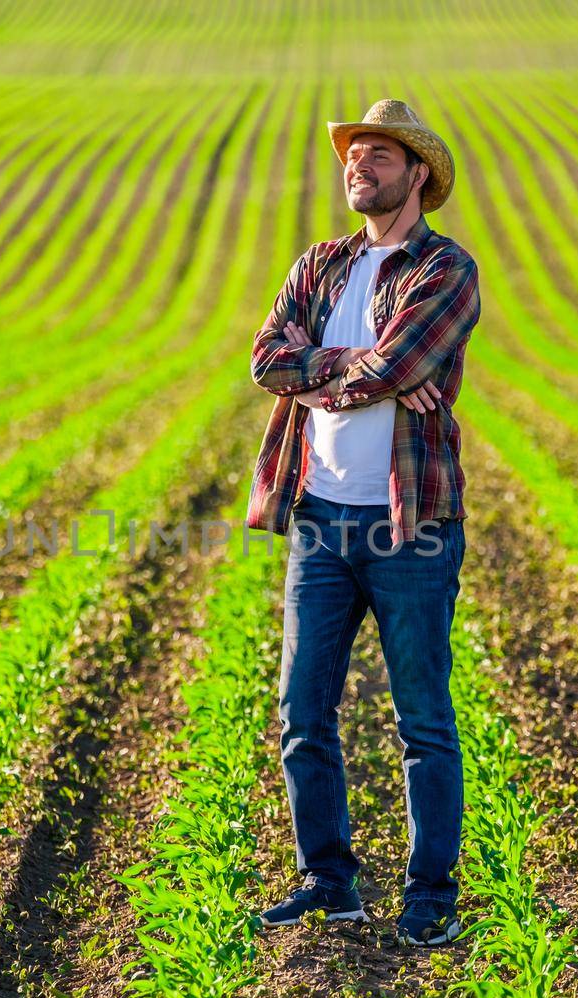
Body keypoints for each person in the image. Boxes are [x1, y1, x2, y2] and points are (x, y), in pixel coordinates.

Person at [246, 98, 481, 947]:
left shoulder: (444, 270)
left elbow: (407, 360)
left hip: (409, 523)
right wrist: (354, 371)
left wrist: (322, 379)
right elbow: (265, 357)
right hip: (319, 519)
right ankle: (329, 880)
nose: (359, 165)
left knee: (421, 718)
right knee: (303, 712)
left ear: (417, 173)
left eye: (379, 154)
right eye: (354, 153)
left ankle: (431, 893)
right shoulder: (322, 263)